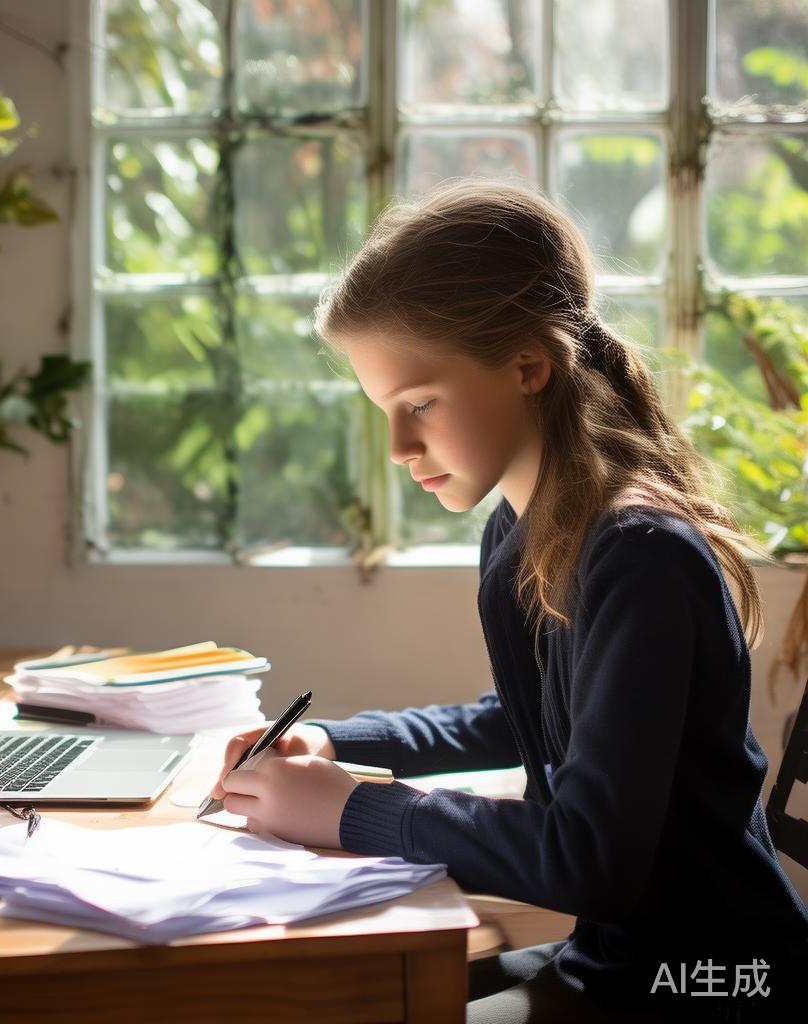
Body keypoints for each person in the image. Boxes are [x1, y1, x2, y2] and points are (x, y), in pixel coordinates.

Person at [206, 179, 808, 1022]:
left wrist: (354, 809)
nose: (397, 446)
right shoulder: (524, 526)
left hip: (715, 980)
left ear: (529, 364)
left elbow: (587, 859)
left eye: (418, 404)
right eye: (384, 410)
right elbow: (519, 720)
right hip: (618, 955)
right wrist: (331, 737)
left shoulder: (641, 557)